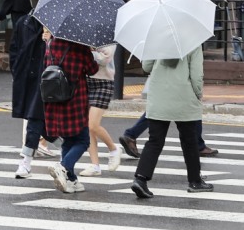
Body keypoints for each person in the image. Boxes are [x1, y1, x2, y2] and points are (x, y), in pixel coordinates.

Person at [119, 0, 218, 159]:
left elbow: (147, 65)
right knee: (187, 110)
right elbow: (195, 71)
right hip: (181, 85)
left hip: (160, 84)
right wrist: (198, 91)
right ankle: (197, 148)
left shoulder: (158, 23)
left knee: (158, 114)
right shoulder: (185, 24)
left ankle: (132, 135)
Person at [131, 47, 213, 198]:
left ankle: (141, 179)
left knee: (154, 141)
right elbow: (196, 75)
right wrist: (198, 93)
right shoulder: (192, 43)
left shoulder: (157, 40)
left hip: (159, 96)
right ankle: (195, 181)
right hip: (184, 96)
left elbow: (146, 67)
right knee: (190, 141)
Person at [9, 0, 58, 179]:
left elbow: (65, 53)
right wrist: (17, 71)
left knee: (45, 122)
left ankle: (67, 158)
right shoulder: (24, 22)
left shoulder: (55, 24)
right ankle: (26, 162)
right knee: (35, 120)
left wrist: (49, 41)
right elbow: (14, 49)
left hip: (51, 78)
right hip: (31, 79)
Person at [44, 31, 99, 193]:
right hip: (75, 99)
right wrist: (91, 52)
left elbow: (45, 65)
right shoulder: (80, 46)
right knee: (83, 140)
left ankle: (72, 179)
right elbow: (92, 69)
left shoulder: (51, 43)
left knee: (68, 140)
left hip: (54, 97)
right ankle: (63, 166)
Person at [79, 45, 122, 177]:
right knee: (87, 126)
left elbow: (105, 58)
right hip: (86, 81)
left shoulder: (108, 36)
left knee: (93, 124)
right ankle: (95, 165)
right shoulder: (83, 36)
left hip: (104, 83)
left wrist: (87, 53)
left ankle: (114, 149)